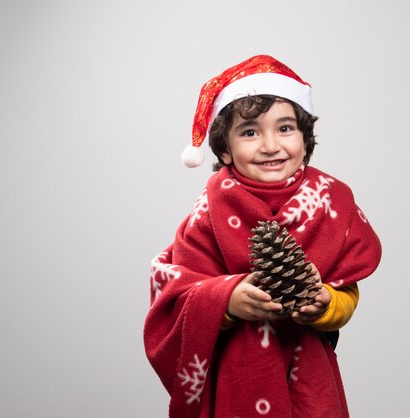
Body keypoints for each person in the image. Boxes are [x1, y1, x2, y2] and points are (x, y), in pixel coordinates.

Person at [143, 55, 381, 418]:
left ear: (305, 138)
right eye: (250, 132)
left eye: (285, 128)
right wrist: (226, 301)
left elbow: (347, 291)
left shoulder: (331, 201)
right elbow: (177, 294)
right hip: (238, 378)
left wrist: (326, 305)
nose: (271, 145)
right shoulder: (210, 211)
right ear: (224, 148)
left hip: (309, 374)